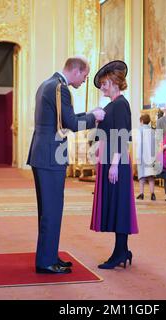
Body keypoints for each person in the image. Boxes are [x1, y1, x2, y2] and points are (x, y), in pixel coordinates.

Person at [27, 57, 105, 274]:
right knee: (52, 211)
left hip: (43, 153)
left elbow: (63, 119)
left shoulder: (48, 84)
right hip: (51, 156)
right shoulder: (60, 88)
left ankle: (49, 256)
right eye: (85, 76)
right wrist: (93, 117)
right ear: (77, 71)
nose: (84, 81)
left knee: (48, 210)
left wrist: (89, 116)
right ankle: (45, 262)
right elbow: (70, 123)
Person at [90, 60, 138, 269]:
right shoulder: (110, 105)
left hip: (116, 161)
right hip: (108, 159)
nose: (102, 87)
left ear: (115, 82)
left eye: (104, 83)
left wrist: (115, 164)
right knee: (114, 204)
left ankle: (120, 252)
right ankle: (123, 250)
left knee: (119, 206)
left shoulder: (120, 104)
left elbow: (122, 135)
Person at [136, 114, 157, 201]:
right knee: (151, 176)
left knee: (142, 176)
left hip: (142, 155)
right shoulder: (153, 131)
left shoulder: (139, 130)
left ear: (141, 121)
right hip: (151, 156)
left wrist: (137, 156)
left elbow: (139, 144)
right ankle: (152, 194)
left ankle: (141, 193)